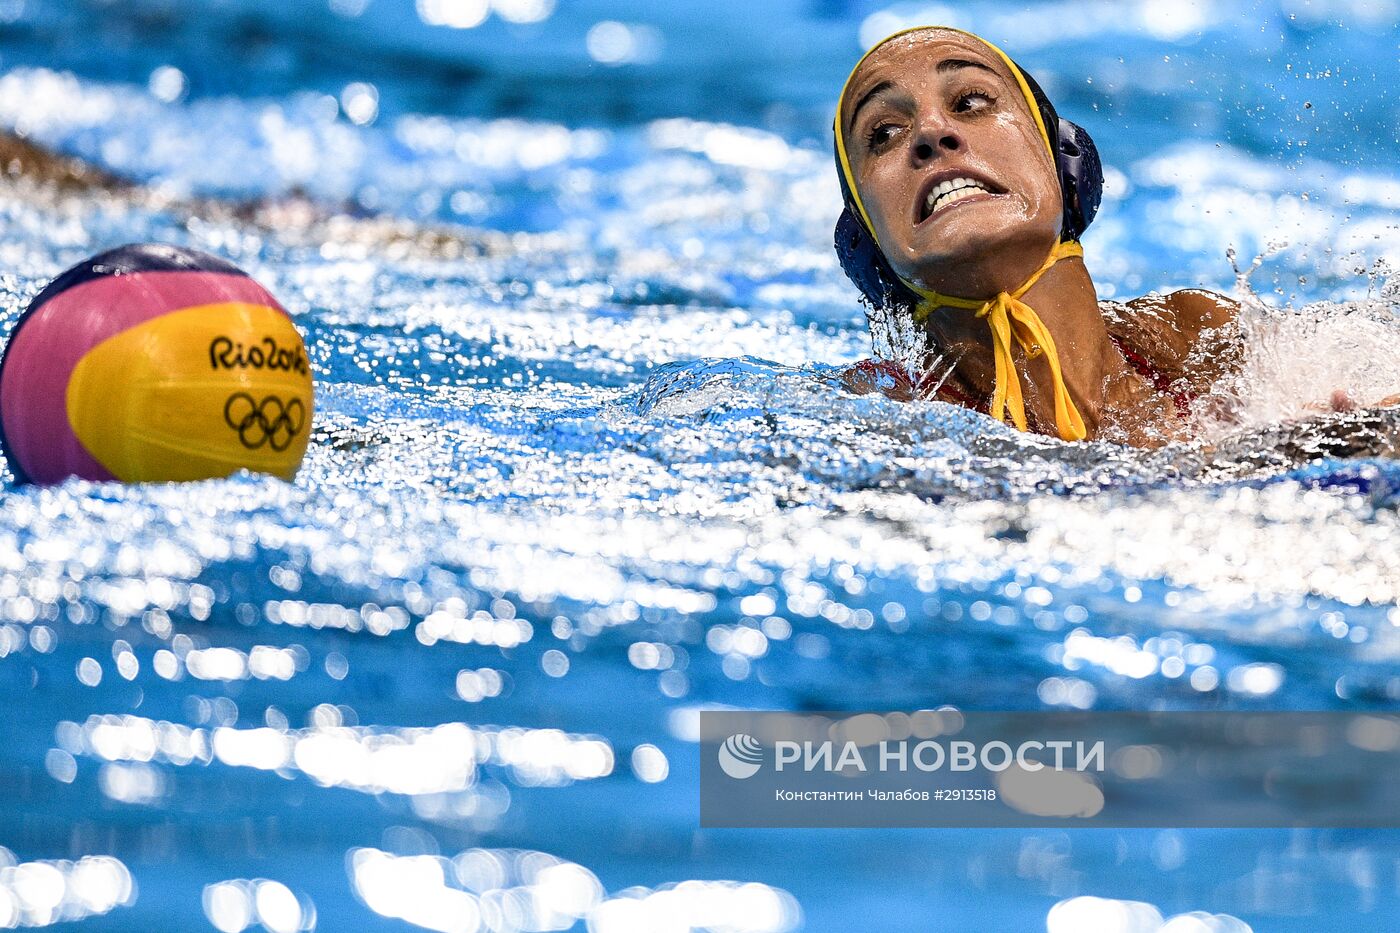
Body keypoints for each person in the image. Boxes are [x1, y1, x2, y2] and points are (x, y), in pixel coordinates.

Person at [834, 26, 1262, 448]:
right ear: (868, 246)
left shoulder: (1197, 336)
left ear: (1067, 163)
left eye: (970, 101)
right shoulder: (879, 411)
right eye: (884, 134)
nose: (931, 132)